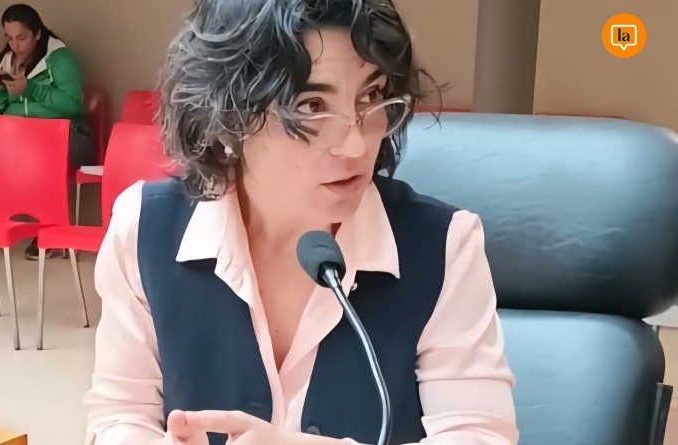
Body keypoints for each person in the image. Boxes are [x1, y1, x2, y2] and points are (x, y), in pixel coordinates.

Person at [85, 1, 518, 445]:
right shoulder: (145, 229)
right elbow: (120, 415)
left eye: (371, 96)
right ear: (227, 117)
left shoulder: (443, 247)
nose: (355, 145)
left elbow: (479, 435)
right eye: (312, 105)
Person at [0, 3, 95, 260]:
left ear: (38, 33)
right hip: (21, 140)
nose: (15, 45)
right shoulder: (8, 60)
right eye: (10, 38)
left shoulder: (61, 58)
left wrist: (30, 89)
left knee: (41, 155)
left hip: (69, 138)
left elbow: (72, 105)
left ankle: (50, 233)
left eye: (21, 38)